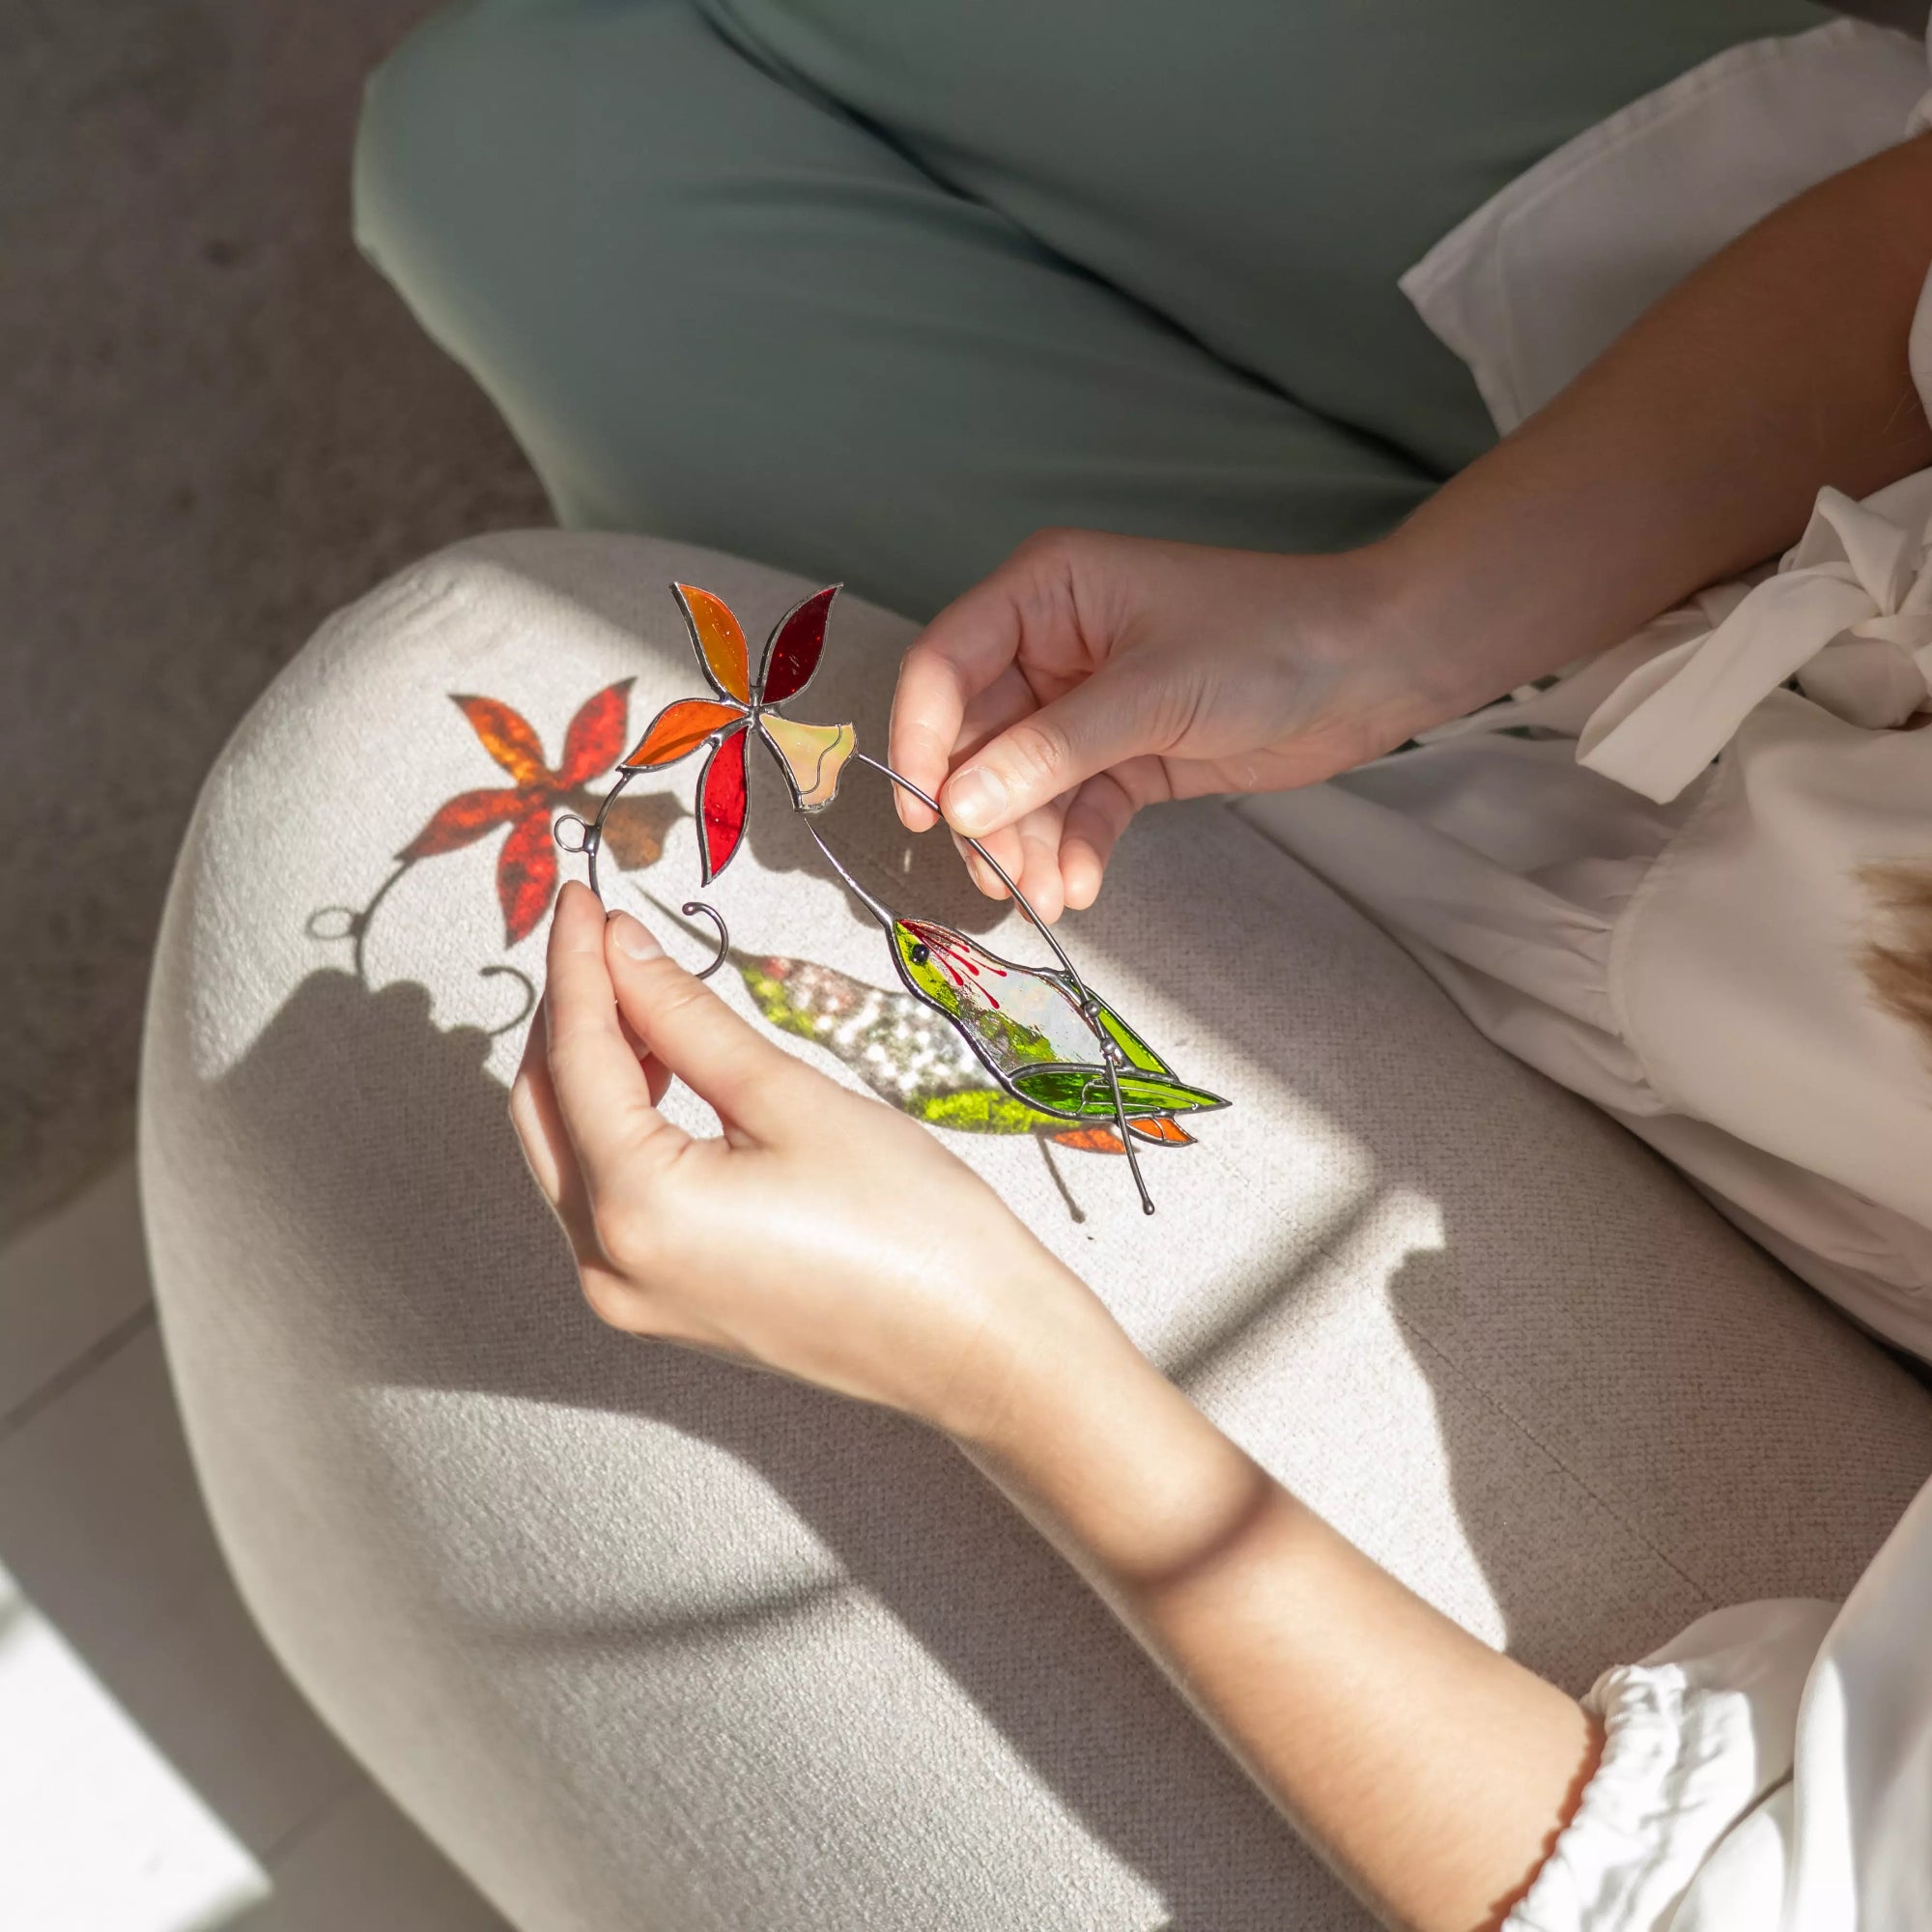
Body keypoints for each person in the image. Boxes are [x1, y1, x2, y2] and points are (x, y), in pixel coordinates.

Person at [149, 4, 1932, 1929]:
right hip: (1709, 417)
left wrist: (998, 1356)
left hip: (1603, 938)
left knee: (491, 155)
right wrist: (1386, 622)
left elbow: (1729, 1884)